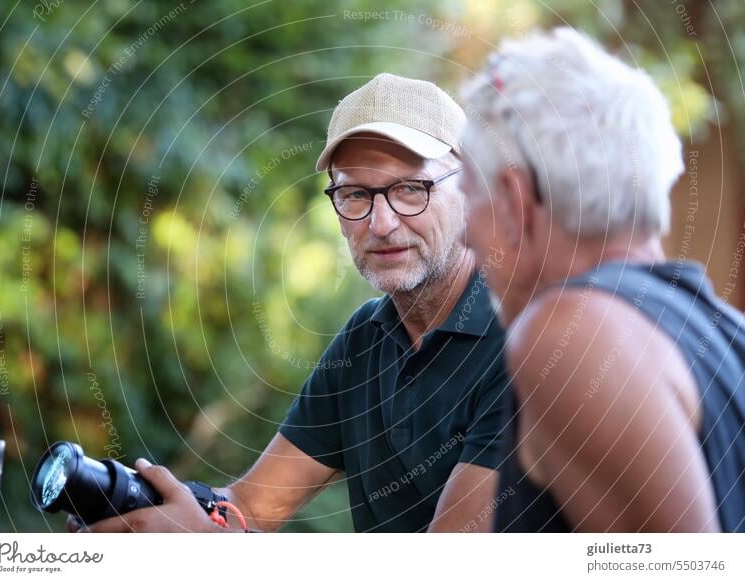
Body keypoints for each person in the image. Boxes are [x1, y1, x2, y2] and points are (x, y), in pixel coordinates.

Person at [73, 73, 510, 533]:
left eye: (410, 190)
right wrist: (151, 518)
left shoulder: (523, 344)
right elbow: (252, 507)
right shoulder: (367, 339)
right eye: (355, 194)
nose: (381, 223)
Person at [459, 27, 745, 532]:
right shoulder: (722, 331)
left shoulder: (571, 335)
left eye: (470, 196)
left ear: (514, 201)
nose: (464, 235)